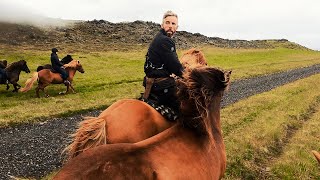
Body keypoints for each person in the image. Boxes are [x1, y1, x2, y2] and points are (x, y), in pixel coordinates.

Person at [143, 10, 183, 113]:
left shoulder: (159, 37)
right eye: (167, 23)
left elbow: (168, 64)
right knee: (186, 107)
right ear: (162, 25)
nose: (170, 26)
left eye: (173, 23)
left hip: (152, 82)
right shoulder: (165, 40)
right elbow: (176, 67)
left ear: (177, 28)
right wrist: (189, 74)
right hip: (162, 86)